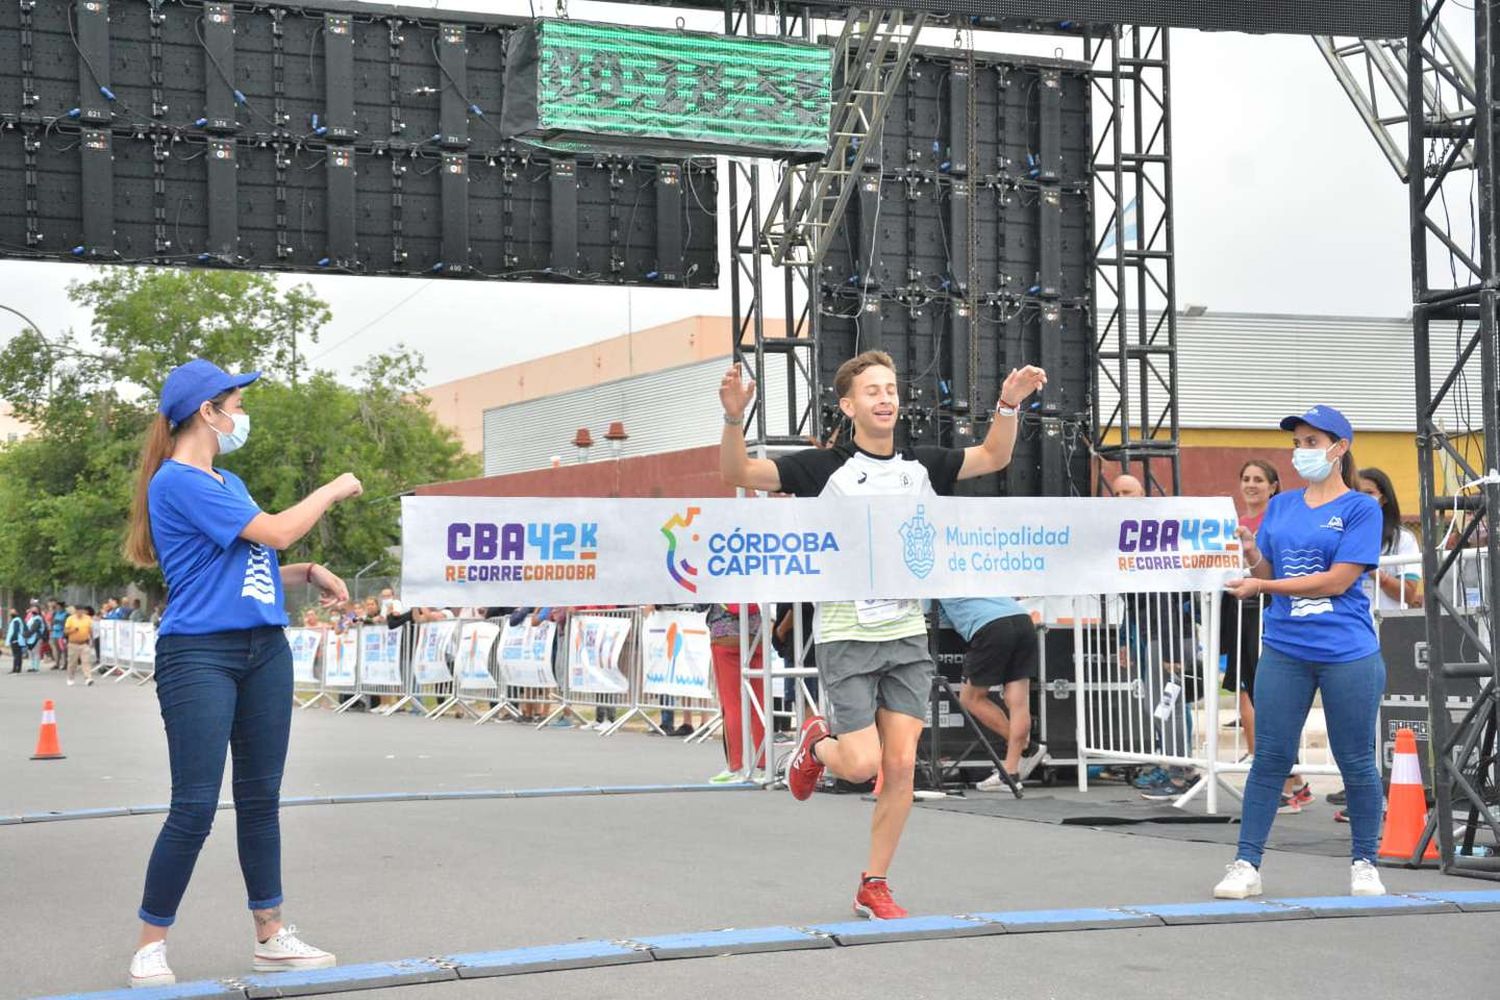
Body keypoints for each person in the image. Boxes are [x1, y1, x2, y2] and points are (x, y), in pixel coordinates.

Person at [720, 351, 1047, 919]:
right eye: (872, 390)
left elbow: (994, 454)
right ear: (848, 406)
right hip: (847, 635)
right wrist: (732, 421)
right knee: (860, 765)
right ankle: (815, 743)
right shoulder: (823, 468)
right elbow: (739, 474)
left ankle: (874, 883)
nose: (885, 398)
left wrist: (1007, 405)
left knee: (899, 767)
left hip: (905, 636)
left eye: (891, 388)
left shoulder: (922, 465)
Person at [121, 358, 363, 987]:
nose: (240, 414)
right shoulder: (176, 481)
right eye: (235, 402)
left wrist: (305, 574)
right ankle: (151, 943)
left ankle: (271, 935)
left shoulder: (228, 480)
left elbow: (248, 565)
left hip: (263, 652)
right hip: (199, 655)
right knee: (195, 806)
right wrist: (334, 487)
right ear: (209, 411)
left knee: (260, 801)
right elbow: (280, 531)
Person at [1215, 405, 1387, 900]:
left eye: (1312, 443)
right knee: (1269, 757)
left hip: (1346, 650)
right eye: (1297, 443)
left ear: (1339, 448)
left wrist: (1263, 582)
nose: (1301, 452)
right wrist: (1253, 554)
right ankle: (1246, 863)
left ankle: (1364, 862)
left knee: (1355, 760)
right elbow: (1272, 563)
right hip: (1285, 648)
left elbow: (1339, 579)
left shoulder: (1361, 508)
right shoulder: (1284, 505)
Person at [937, 597, 1046, 788]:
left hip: (990, 627)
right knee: (1018, 701)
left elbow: (933, 619)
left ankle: (1027, 747)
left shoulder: (935, 579)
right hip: (1021, 619)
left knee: (970, 699)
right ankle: (1010, 773)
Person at [705, 603, 767, 782]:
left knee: (731, 703)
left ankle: (735, 767)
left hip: (724, 636)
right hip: (755, 634)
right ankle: (764, 765)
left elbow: (700, 604)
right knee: (758, 702)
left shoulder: (713, 575)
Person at [1359, 467, 1422, 611]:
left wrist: (1371, 569)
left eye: (1369, 493)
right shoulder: (1340, 535)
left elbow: (1409, 594)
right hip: (1351, 625)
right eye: (1355, 492)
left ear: (1384, 498)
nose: (1361, 499)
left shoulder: (1403, 539)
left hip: (1390, 625)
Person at [65, 604, 96, 686]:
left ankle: (88, 678)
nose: (80, 612)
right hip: (73, 644)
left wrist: (92, 640)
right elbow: (66, 631)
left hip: (84, 643)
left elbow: (90, 630)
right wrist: (73, 630)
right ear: (75, 611)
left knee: (86, 661)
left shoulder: (88, 618)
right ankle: (70, 678)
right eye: (78, 611)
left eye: (81, 610)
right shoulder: (70, 619)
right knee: (72, 663)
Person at [49, 599, 68, 670]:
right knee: (56, 650)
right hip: (55, 633)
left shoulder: (66, 614)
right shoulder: (55, 614)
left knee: (63, 649)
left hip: (61, 634)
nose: (57, 608)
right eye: (56, 607)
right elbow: (52, 622)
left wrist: (59, 622)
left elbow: (66, 624)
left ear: (62, 607)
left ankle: (65, 663)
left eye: (58, 607)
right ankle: (57, 663)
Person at [6, 608, 23, 674]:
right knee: (18, 654)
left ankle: (15, 669)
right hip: (17, 639)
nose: (11, 613)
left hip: (16, 640)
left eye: (13, 612)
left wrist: (13, 639)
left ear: (17, 613)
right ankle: (18, 668)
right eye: (11, 612)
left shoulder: (16, 620)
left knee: (16, 655)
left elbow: (16, 630)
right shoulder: (16, 620)